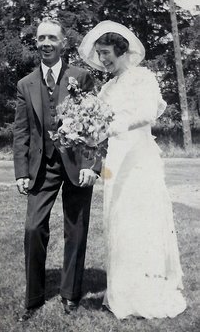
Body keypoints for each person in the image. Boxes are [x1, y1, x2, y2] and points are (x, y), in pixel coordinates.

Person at [78, 20, 187, 319]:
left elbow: (149, 112)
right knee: (119, 219)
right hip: (116, 160)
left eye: (106, 52)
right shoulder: (108, 88)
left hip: (139, 157)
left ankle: (148, 292)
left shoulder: (143, 77)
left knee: (143, 220)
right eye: (99, 54)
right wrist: (84, 131)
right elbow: (95, 121)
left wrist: (112, 127)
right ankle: (124, 293)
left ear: (121, 48)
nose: (102, 60)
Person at [13, 18, 100, 321]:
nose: (46, 43)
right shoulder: (26, 84)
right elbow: (22, 132)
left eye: (52, 38)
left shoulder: (82, 77)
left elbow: (94, 125)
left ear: (64, 43)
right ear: (36, 43)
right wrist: (22, 171)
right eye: (41, 38)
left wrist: (92, 165)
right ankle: (33, 297)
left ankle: (70, 295)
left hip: (76, 164)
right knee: (33, 228)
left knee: (75, 230)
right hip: (42, 166)